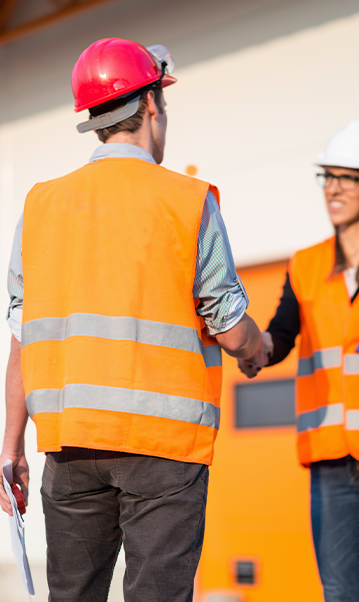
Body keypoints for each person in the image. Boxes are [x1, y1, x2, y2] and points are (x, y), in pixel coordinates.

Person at [0, 38, 266, 602]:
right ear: (151, 105)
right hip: (163, 451)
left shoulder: (41, 205)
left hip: (71, 448)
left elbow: (24, 333)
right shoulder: (188, 200)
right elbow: (226, 319)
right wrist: (256, 347)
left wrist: (11, 447)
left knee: (72, 595)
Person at [239, 120, 359, 602]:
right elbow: (281, 334)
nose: (331, 187)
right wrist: (254, 350)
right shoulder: (305, 264)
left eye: (345, 177)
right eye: (326, 176)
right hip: (329, 456)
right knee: (340, 592)